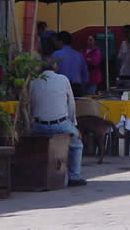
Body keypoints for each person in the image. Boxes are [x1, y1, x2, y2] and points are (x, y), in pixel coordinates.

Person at [30, 56, 86, 187]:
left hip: (38, 125)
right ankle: (74, 177)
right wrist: (74, 125)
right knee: (77, 144)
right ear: (55, 67)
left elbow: (30, 105)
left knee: (34, 145)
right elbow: (71, 105)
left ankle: (37, 175)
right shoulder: (63, 79)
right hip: (61, 124)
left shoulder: (33, 82)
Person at [53, 31, 88, 97]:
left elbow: (52, 73)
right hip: (77, 88)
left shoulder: (56, 54)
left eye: (56, 41)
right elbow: (85, 76)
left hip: (61, 86)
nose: (55, 43)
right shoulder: (79, 55)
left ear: (61, 41)